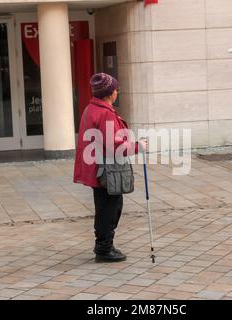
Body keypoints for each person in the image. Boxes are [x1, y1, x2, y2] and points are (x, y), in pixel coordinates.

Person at [74, 73, 148, 263]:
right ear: (109, 93)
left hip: (98, 167)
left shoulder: (92, 108)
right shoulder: (105, 113)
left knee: (107, 206)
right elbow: (114, 144)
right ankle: (104, 249)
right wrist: (138, 146)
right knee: (110, 207)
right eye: (116, 89)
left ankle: (104, 245)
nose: (117, 92)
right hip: (105, 170)